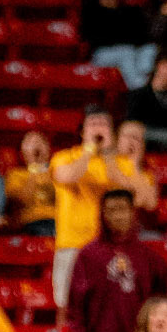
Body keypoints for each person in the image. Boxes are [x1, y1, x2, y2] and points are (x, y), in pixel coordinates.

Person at [69, 189, 156, 332]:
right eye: (111, 210)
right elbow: (75, 304)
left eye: (123, 209)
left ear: (133, 213)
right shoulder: (88, 255)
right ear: (102, 215)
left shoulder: (148, 256)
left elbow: (158, 302)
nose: (117, 216)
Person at [48, 108, 114, 309]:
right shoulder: (64, 157)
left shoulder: (120, 163)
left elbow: (137, 195)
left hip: (109, 245)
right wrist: (89, 151)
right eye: (93, 124)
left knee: (106, 304)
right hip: (72, 243)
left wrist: (110, 155)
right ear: (82, 131)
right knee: (65, 303)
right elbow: (67, 177)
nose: (98, 128)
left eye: (103, 124)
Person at [80, 0, 158, 86]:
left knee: (150, 49)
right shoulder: (90, 10)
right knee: (125, 52)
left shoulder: (132, 12)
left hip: (131, 52)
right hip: (101, 54)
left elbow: (142, 37)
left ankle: (146, 83)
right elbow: (93, 38)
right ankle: (138, 89)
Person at [4, 129, 55, 238]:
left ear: (48, 149)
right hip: (30, 223)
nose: (36, 144)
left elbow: (59, 196)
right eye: (30, 142)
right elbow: (23, 199)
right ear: (22, 150)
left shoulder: (57, 171)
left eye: (40, 141)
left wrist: (45, 169)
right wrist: (34, 167)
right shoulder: (15, 174)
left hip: (57, 221)